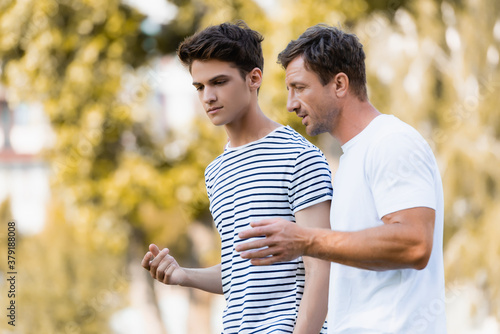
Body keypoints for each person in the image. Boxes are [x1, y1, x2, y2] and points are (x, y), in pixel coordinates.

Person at [236, 24, 447, 333]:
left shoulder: (391, 141)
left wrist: (305, 239)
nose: (291, 104)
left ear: (339, 84)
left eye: (300, 88)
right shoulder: (351, 159)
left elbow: (414, 243)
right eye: (288, 90)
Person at [141, 21, 333, 334]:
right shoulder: (216, 171)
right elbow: (239, 274)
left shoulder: (299, 156)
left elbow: (321, 265)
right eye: (200, 87)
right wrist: (183, 275)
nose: (208, 97)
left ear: (254, 78)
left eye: (219, 82)